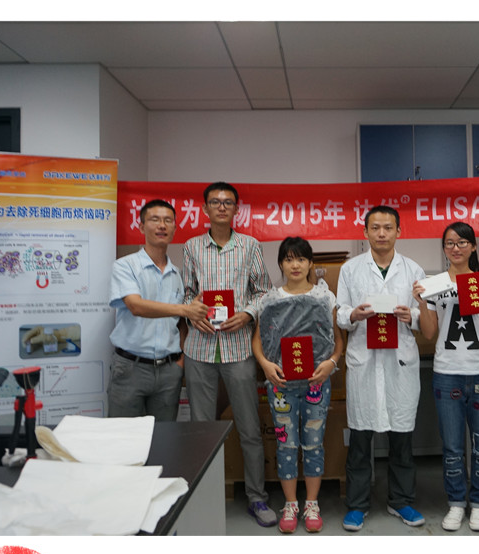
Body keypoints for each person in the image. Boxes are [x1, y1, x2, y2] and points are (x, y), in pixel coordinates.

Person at [181, 182, 277, 527]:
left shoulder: (250, 245)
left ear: (237, 209)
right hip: (200, 348)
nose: (221, 207)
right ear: (205, 208)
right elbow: (187, 292)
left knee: (249, 428)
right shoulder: (191, 247)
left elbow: (263, 291)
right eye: (215, 202)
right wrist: (193, 312)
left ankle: (257, 497)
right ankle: (202, 498)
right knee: (201, 429)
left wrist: (248, 314)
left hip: (239, 349)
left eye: (228, 202)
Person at [336, 205, 426, 531]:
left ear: (399, 231)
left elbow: (425, 314)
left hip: (400, 362)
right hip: (365, 361)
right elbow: (340, 312)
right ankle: (357, 505)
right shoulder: (350, 270)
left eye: (388, 227)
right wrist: (354, 315)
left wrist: (411, 316)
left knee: (401, 437)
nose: (382, 234)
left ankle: (401, 501)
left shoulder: (414, 269)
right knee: (360, 439)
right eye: (375, 228)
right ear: (365, 232)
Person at [412, 221, 479, 532]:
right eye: (450, 243)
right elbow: (429, 333)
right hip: (447, 372)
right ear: (444, 248)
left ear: (473, 247)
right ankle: (456, 502)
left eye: (463, 242)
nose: (456, 248)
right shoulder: (434, 284)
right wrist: (421, 302)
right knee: (451, 446)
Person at [252, 237, 344, 533]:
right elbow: (258, 339)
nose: (295, 265)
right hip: (280, 384)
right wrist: (265, 364)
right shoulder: (269, 299)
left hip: (316, 382)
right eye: (289, 259)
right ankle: (291, 503)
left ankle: (312, 503)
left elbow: (337, 339)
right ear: (280, 263)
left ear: (310, 263)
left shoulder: (325, 297)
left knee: (314, 443)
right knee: (286, 445)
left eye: (301, 259)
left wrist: (331, 362)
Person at [107, 199, 208, 421]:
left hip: (169, 371)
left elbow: (180, 323)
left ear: (175, 228)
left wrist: (180, 360)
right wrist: (185, 309)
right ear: (141, 226)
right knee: (124, 436)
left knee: (164, 436)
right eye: (155, 219)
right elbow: (136, 306)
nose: (162, 225)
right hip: (130, 368)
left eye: (168, 220)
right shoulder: (125, 266)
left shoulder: (178, 274)